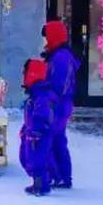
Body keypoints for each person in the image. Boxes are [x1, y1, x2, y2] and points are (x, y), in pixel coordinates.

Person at [41, 20, 80, 189]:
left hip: (58, 105)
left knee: (55, 139)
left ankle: (62, 176)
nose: (44, 41)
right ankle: (58, 175)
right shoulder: (56, 55)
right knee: (55, 139)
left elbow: (60, 85)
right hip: (56, 103)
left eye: (46, 37)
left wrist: (46, 93)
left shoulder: (61, 57)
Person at [19, 59, 57, 196]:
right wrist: (25, 129)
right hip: (33, 132)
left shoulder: (42, 96)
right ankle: (38, 183)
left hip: (39, 134)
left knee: (38, 159)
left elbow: (42, 115)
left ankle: (41, 185)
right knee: (29, 157)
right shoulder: (37, 93)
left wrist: (36, 130)